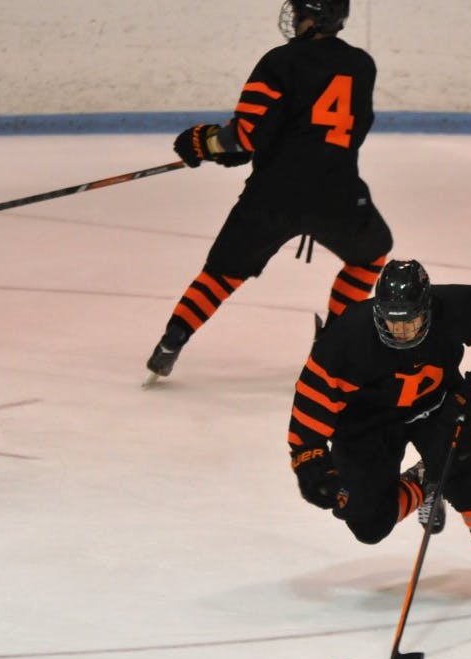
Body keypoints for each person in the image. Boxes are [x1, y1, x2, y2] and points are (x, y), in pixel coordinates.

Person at [145, 0, 392, 383]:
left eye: (301, 13)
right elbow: (351, 131)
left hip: (275, 194)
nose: (295, 19)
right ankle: (333, 344)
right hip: (338, 191)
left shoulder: (281, 61)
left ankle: (170, 344)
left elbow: (244, 135)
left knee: (223, 272)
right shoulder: (362, 65)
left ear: (315, 18)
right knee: (371, 254)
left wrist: (203, 143)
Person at [288, 259, 471, 598]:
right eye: (391, 322)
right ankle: (424, 483)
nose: (400, 332)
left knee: (469, 487)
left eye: (409, 322)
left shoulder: (458, 307)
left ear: (426, 309)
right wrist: (310, 461)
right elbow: (312, 401)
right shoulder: (346, 338)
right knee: (368, 524)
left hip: (439, 408)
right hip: (366, 425)